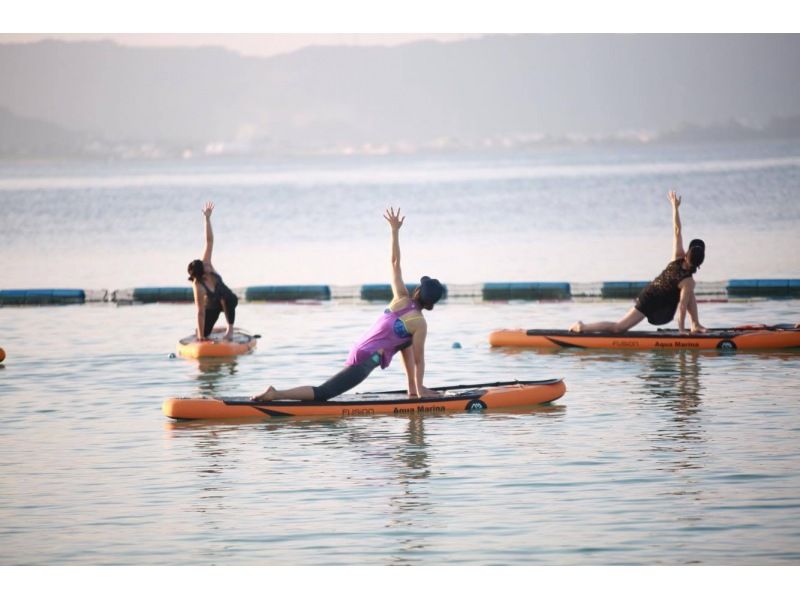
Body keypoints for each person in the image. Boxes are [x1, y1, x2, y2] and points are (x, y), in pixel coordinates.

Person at [251, 207, 443, 402]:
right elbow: (420, 361)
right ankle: (275, 394)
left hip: (360, 349)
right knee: (323, 394)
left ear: (418, 290)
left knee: (405, 340)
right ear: (431, 305)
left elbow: (394, 262)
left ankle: (412, 388)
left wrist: (394, 230)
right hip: (367, 359)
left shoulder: (400, 299)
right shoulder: (419, 323)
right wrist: (423, 392)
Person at [570, 191, 708, 335]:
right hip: (650, 300)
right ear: (699, 264)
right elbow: (682, 308)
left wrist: (675, 207)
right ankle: (582, 327)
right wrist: (680, 331)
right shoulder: (688, 281)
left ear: (687, 255)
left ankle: (695, 324)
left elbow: (677, 230)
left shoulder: (678, 257)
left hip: (654, 294)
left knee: (688, 293)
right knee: (618, 328)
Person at [187, 202, 239, 341]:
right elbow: (200, 312)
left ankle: (230, 330)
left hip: (228, 300)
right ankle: (206, 331)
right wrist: (200, 336)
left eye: (205, 271)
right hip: (213, 306)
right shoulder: (197, 286)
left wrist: (207, 219)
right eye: (202, 276)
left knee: (225, 298)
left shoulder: (207, 264)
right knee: (203, 333)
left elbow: (209, 241)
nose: (206, 274)